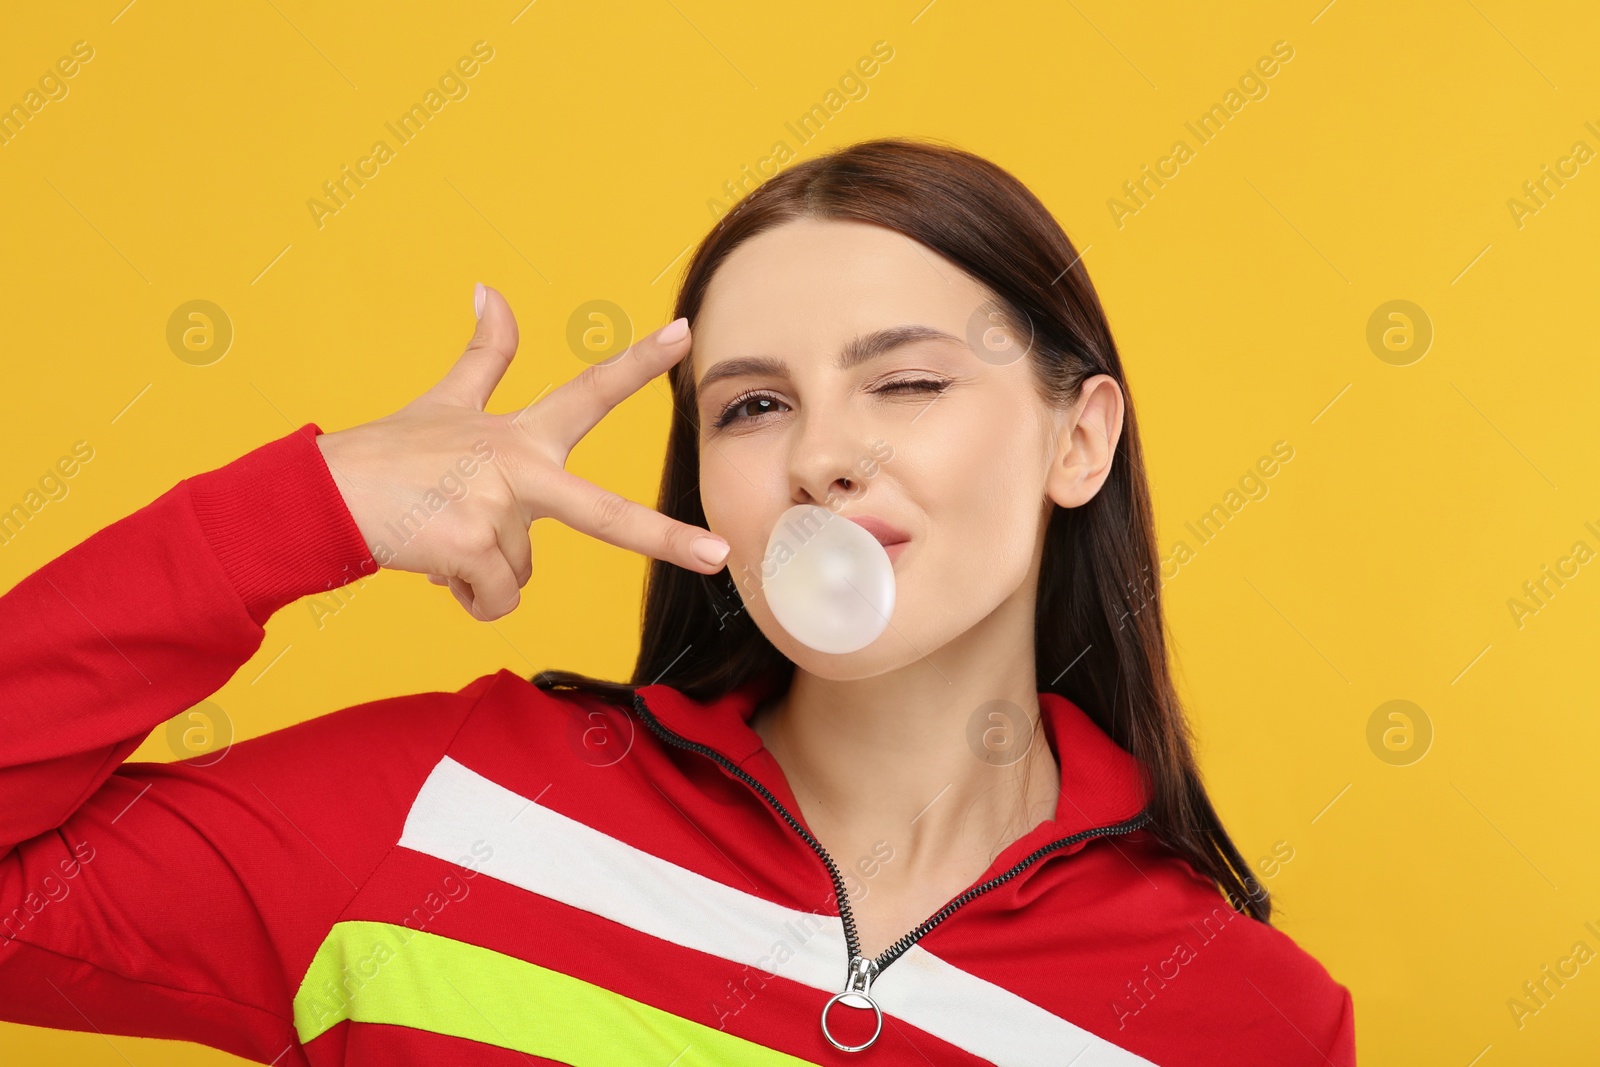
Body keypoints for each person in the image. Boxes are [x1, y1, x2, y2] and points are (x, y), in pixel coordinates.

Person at [0, 137, 1354, 1065]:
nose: (824, 453)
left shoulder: (1251, 1021)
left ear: (1079, 440)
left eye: (908, 380)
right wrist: (306, 511)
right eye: (755, 405)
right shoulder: (446, 807)